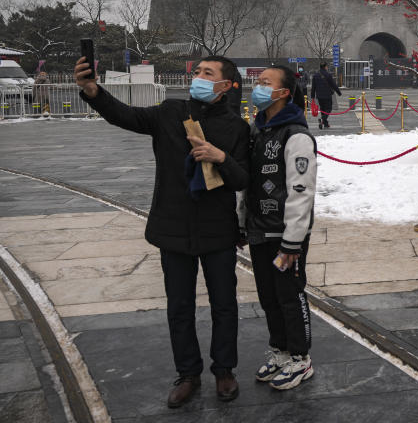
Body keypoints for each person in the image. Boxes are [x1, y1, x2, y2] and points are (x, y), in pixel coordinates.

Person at [74, 55, 249, 407]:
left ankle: (224, 369)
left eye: (207, 73)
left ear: (226, 85)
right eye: (197, 71)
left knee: (225, 305)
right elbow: (128, 116)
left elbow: (243, 179)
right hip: (173, 228)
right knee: (179, 306)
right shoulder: (171, 112)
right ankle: (187, 374)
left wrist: (220, 157)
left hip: (217, 230)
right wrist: (93, 92)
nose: (198, 77)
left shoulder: (237, 127)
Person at [243, 65, 318, 390]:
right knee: (268, 297)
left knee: (290, 295)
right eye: (257, 82)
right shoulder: (258, 131)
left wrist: (292, 242)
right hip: (260, 230)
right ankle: (281, 350)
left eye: (264, 83)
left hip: (285, 235)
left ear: (284, 92)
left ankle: (301, 359)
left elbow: (302, 191)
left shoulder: (296, 135)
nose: (257, 87)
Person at [310, 62, 341, 129]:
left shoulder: (315, 75)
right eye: (327, 66)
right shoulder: (328, 75)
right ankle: (322, 119)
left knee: (323, 109)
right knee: (329, 109)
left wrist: (312, 96)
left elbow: (313, 87)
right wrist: (338, 92)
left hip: (319, 96)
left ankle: (325, 123)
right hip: (327, 95)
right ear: (325, 67)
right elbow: (333, 84)